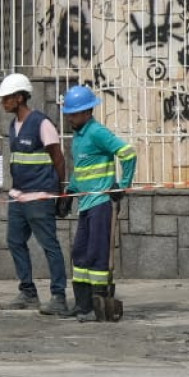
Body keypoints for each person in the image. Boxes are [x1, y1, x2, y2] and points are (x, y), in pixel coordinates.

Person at [59, 84, 137, 323]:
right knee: (79, 254)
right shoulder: (78, 137)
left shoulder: (97, 132)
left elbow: (128, 153)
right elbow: (81, 169)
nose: (70, 118)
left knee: (96, 255)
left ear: (87, 112)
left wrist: (121, 185)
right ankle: (82, 305)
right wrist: (69, 193)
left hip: (101, 203)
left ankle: (99, 304)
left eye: (74, 113)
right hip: (85, 203)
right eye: (69, 113)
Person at [0, 74, 69, 314]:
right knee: (15, 241)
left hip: (40, 196)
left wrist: (61, 191)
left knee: (50, 246)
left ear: (19, 98)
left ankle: (58, 297)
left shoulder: (42, 124)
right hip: (19, 196)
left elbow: (58, 158)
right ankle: (28, 292)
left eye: (6, 98)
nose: (3, 103)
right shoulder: (13, 126)